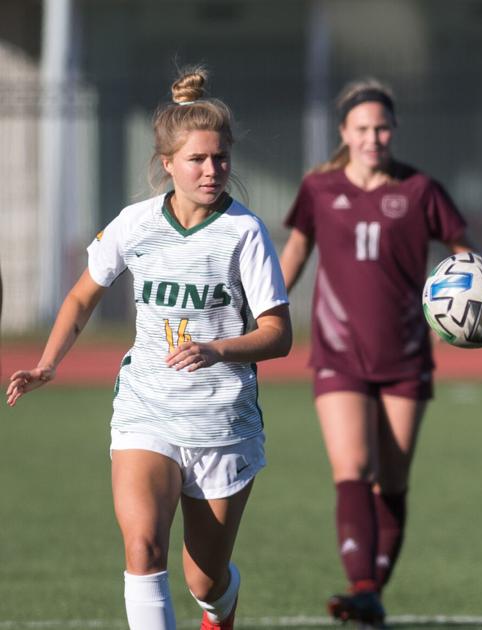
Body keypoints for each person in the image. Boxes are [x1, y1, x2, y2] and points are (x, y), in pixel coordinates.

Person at [6, 68, 292, 630]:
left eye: (221, 159)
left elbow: (277, 335)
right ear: (168, 162)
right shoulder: (134, 224)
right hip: (147, 409)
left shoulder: (245, 233)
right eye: (198, 160)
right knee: (143, 550)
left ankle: (220, 611)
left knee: (204, 580)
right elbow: (82, 296)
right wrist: (47, 362)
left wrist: (218, 349)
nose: (212, 171)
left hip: (222, 420)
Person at [279, 78, 471, 625]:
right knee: (352, 467)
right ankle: (361, 583)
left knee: (394, 479)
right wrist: (266, 310)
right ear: (344, 132)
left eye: (382, 127)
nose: (373, 137)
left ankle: (371, 592)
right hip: (337, 351)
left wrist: (457, 316)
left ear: (394, 130)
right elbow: (296, 249)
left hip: (406, 353)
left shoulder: (420, 190)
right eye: (362, 128)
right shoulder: (318, 188)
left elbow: (466, 258)